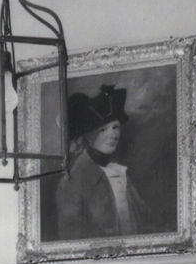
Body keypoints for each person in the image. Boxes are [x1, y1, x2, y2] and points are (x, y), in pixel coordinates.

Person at [54, 84, 150, 240]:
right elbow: (71, 238)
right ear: (87, 135)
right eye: (103, 130)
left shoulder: (120, 172)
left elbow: (144, 222)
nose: (113, 135)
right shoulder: (72, 181)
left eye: (115, 127)